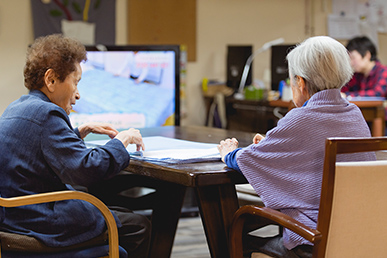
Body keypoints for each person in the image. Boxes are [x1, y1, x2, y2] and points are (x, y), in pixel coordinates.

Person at [218, 36, 376, 258]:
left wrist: (229, 153)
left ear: (300, 83)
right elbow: (313, 153)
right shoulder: (354, 114)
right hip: (359, 235)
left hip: (313, 241)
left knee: (231, 231)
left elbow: (248, 160)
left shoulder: (301, 118)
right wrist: (273, 147)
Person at [0, 34, 150, 257]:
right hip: (39, 221)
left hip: (13, 218)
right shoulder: (47, 113)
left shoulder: (17, 108)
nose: (78, 95)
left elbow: (38, 151)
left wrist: (79, 132)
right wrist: (122, 140)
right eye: (76, 82)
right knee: (138, 224)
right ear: (51, 80)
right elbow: (87, 170)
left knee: (119, 213)